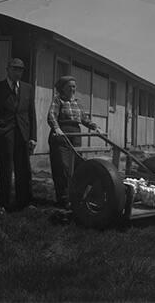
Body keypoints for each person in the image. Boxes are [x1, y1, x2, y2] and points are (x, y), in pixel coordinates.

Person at [0, 58, 37, 213]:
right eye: (14, 69)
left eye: (20, 69)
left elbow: (31, 114)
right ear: (7, 69)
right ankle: (3, 204)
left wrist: (33, 137)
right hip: (5, 134)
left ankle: (25, 202)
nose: (18, 72)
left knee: (24, 169)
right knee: (5, 168)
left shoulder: (28, 88)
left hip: (23, 134)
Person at [47, 75, 100, 209]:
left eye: (74, 86)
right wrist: (57, 128)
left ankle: (77, 196)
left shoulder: (77, 102)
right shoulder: (58, 100)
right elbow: (51, 115)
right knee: (63, 167)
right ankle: (63, 199)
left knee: (77, 166)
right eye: (69, 86)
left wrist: (93, 126)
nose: (72, 89)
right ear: (62, 88)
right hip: (61, 135)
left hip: (76, 134)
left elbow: (83, 118)